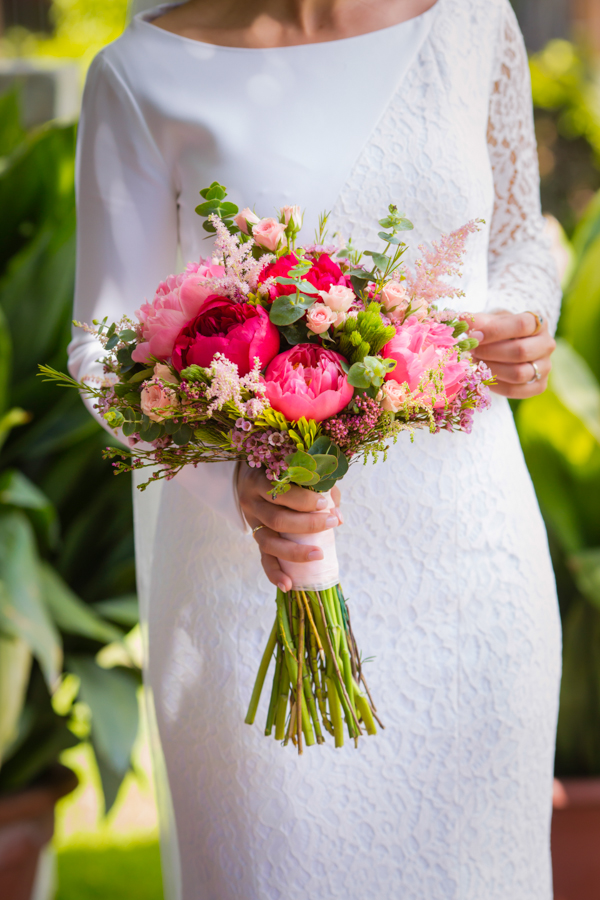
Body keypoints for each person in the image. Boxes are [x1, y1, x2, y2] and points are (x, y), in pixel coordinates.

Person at [68, 1, 561, 898]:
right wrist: (235, 484)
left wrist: (526, 321)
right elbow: (103, 345)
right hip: (250, 577)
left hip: (472, 557)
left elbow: (523, 241)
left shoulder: (475, 22)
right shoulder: (141, 73)